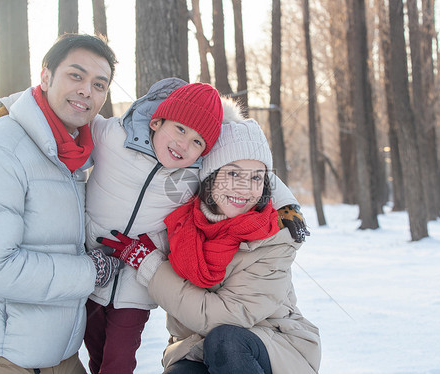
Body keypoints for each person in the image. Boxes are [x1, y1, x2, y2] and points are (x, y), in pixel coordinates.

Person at [84, 84, 309, 374]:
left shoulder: (274, 236)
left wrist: (288, 206)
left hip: (268, 347)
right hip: (189, 340)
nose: (184, 145)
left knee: (222, 342)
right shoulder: (184, 213)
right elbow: (73, 127)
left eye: (255, 179)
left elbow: (253, 167)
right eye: (232, 174)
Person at [0, 34, 122, 374]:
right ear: (45, 76)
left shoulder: (70, 154)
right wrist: (91, 271)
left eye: (100, 84)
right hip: (7, 355)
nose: (87, 90)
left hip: (59, 351)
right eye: (76, 75)